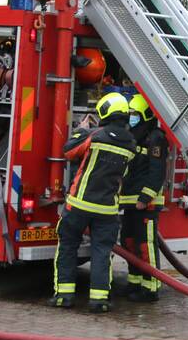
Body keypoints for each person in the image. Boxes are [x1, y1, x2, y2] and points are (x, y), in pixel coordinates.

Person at [48, 92, 136, 313]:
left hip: (79, 205)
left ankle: (64, 297)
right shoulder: (131, 145)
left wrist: (81, 129)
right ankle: (99, 300)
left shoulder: (94, 135)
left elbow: (68, 151)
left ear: (105, 111)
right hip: (107, 210)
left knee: (68, 247)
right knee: (102, 252)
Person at [120, 93, 168, 302]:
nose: (132, 117)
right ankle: (135, 283)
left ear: (146, 115)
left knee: (146, 245)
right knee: (128, 242)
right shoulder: (132, 135)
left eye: (135, 114)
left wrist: (144, 198)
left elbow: (157, 172)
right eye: (130, 114)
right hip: (129, 201)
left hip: (145, 204)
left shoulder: (155, 137)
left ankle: (151, 287)